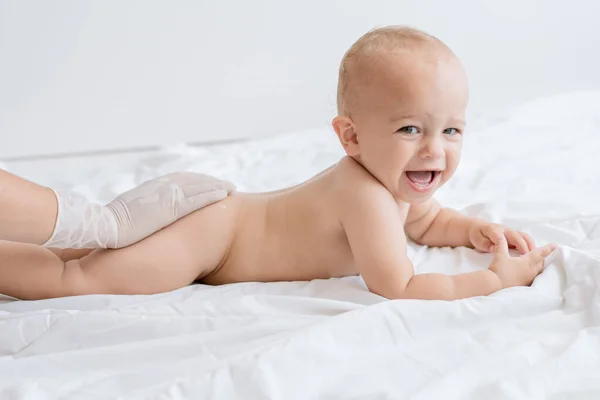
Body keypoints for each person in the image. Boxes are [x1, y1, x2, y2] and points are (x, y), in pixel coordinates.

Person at [0, 26, 557, 301]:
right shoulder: (363, 194)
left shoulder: (390, 186)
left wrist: (475, 230)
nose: (434, 148)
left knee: (82, 242)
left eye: (451, 130)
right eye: (410, 129)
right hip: (208, 238)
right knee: (74, 279)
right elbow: (400, 286)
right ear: (351, 137)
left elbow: (428, 221)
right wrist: (492, 282)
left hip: (209, 209)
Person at [0, 168, 235, 248]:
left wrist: (96, 222)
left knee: (69, 269)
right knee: (70, 272)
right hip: (201, 238)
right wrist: (101, 222)